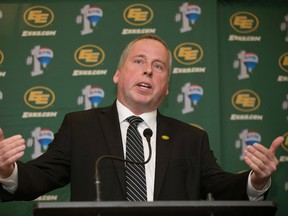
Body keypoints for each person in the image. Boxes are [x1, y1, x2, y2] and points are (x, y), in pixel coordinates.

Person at [0, 34, 284, 202]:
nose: (148, 70)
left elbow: (222, 187)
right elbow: (38, 177)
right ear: (117, 74)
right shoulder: (80, 126)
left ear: (168, 86)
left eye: (158, 66)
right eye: (138, 61)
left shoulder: (191, 138)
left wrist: (255, 182)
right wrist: (6, 171)